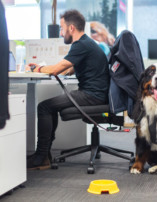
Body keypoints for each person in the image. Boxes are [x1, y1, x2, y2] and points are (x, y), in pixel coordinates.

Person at [26, 9, 110, 170]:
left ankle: (41, 157)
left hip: (92, 95)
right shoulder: (86, 43)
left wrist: (38, 69)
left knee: (44, 107)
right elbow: (67, 69)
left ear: (71, 28)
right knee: (49, 107)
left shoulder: (81, 45)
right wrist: (50, 69)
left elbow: (57, 69)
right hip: (96, 93)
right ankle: (43, 155)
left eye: (62, 28)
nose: (61, 32)